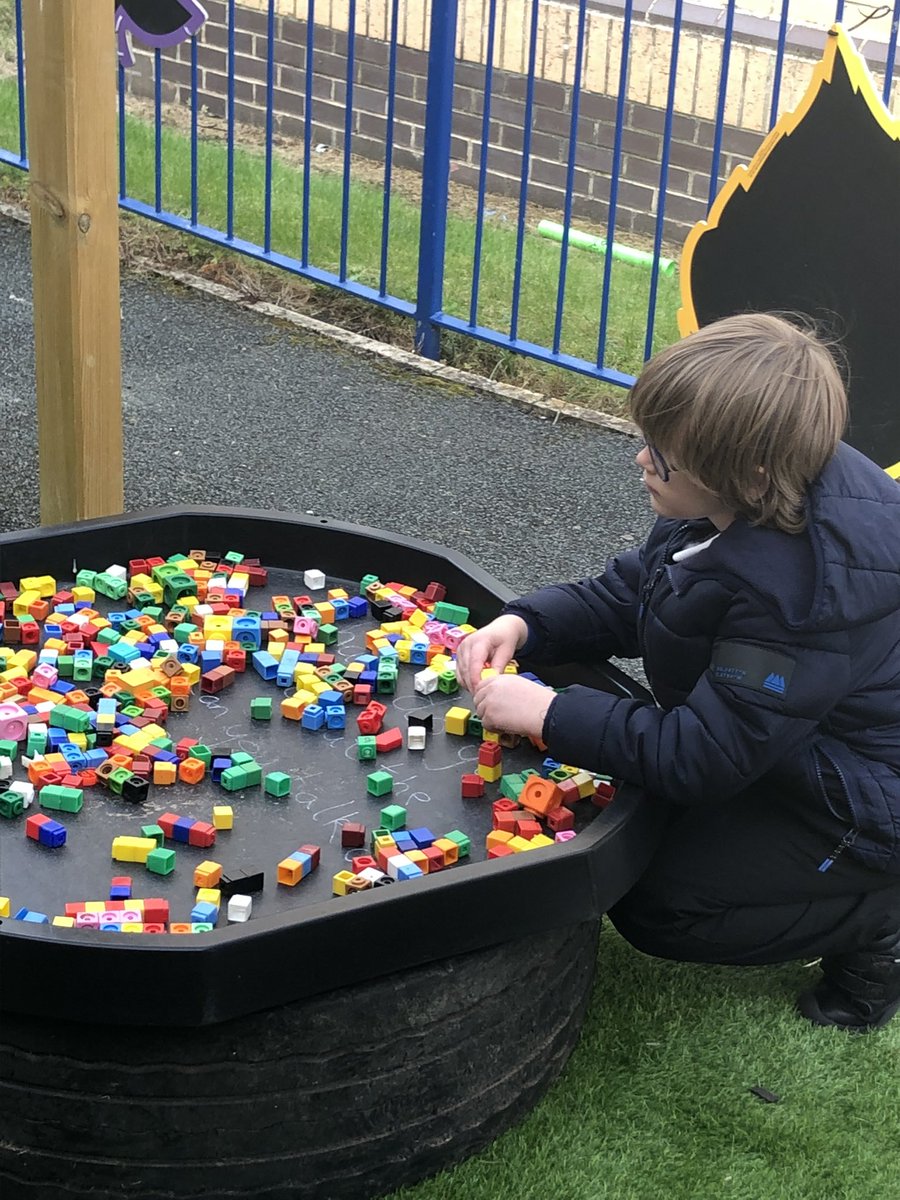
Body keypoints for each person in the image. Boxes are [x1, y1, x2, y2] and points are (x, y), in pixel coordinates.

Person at [455, 312, 900, 1032]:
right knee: (631, 819)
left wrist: (546, 713)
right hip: (785, 751)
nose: (641, 460)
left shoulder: (800, 604)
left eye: (662, 454)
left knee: (659, 902)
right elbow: (637, 593)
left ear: (744, 472)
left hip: (861, 805)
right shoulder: (737, 499)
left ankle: (878, 919)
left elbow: (703, 757)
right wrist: (525, 622)